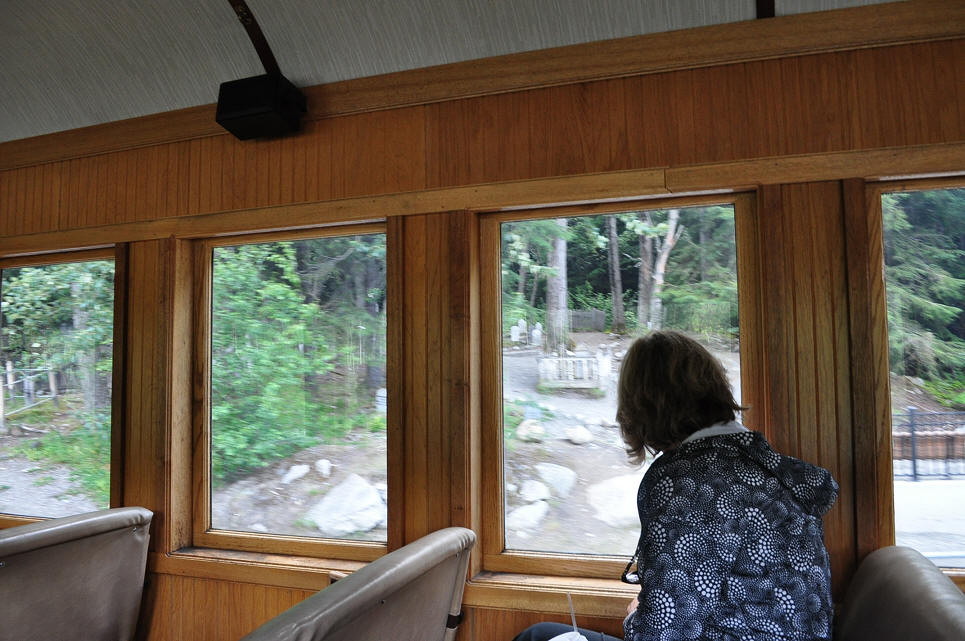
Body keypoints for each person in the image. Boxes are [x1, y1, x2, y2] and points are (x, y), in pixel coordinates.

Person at [513, 330, 838, 641]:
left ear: (643, 406)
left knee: (537, 637)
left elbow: (661, 632)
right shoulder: (762, 461)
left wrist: (636, 615)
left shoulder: (683, 482)